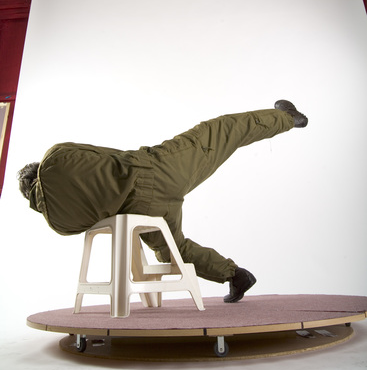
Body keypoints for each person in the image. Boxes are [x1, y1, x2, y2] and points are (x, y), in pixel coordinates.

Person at [17, 99, 308, 303]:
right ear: (36, 169)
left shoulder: (58, 224)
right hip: (159, 169)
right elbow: (106, 154)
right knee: (222, 131)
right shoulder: (55, 159)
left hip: (145, 213)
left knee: (174, 251)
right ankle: (287, 118)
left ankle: (234, 275)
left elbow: (94, 218)